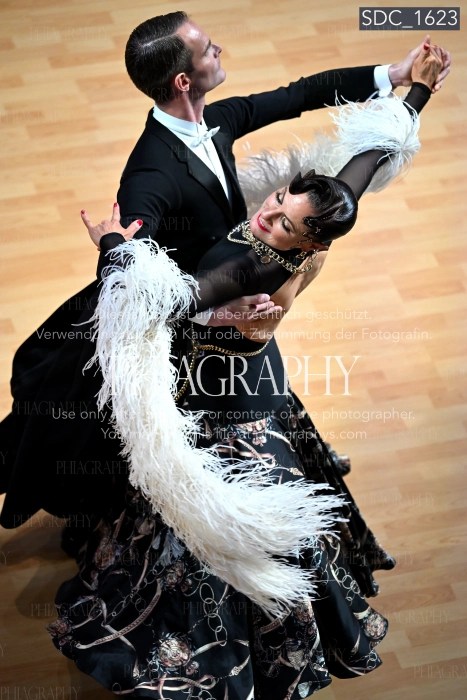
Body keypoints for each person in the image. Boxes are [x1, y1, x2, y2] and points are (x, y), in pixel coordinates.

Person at [46, 46, 444, 699]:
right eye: (279, 197)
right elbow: (372, 154)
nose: (267, 212)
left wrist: (113, 244)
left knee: (208, 529)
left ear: (308, 243)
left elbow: (164, 300)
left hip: (219, 397)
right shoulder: (332, 204)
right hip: (255, 371)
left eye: (284, 223)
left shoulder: (250, 267)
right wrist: (417, 90)